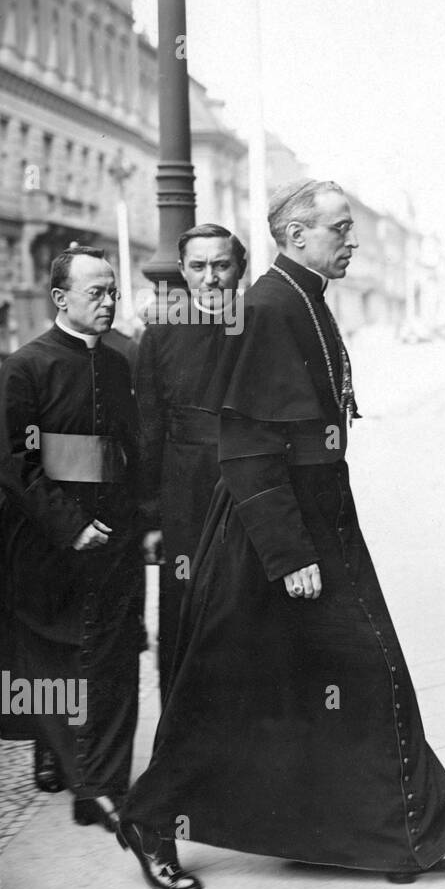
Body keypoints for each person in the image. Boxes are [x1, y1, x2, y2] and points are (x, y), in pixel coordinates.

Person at [116, 180, 445, 889]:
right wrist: (290, 556)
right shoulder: (268, 306)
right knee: (241, 685)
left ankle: (400, 835)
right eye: (339, 230)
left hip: (316, 517)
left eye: (350, 228)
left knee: (343, 676)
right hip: (277, 532)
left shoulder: (303, 296)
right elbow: (249, 447)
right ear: (295, 236)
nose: (351, 241)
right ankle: (152, 819)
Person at [0, 246, 146, 833]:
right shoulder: (25, 368)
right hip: (49, 542)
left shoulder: (121, 361)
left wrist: (141, 522)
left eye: (113, 292)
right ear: (60, 299)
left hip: (117, 538)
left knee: (116, 656)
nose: (109, 302)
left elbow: (133, 451)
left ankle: (103, 787)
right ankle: (84, 778)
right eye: (96, 293)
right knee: (60, 658)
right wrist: (72, 525)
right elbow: (17, 463)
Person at [136, 223, 245, 702]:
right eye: (198, 267)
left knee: (244, 608)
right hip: (183, 493)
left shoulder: (258, 325)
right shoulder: (161, 332)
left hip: (247, 487)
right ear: (182, 271)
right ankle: (177, 730)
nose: (211, 278)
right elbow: (148, 428)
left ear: (239, 269)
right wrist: (151, 517)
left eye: (221, 265)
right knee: (182, 606)